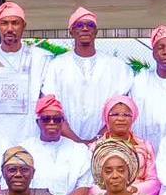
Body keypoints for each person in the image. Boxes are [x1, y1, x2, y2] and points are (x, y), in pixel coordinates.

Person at [47, 8, 137, 140]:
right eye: (79, 25)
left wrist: (97, 139)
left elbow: (123, 108)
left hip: (106, 141)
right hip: (66, 142)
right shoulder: (57, 65)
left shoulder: (116, 66)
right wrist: (76, 142)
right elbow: (51, 106)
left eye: (90, 25)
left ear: (96, 31)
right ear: (71, 31)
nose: (85, 28)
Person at [0, 3, 50, 140]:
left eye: (15, 23)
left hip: (30, 139)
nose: (10, 28)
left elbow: (47, 101)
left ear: (24, 26)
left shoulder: (41, 59)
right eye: (4, 23)